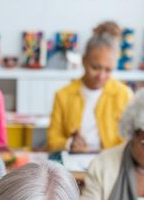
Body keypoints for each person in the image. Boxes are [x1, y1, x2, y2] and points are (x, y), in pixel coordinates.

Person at [46, 22, 133, 152]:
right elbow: (52, 141)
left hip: (112, 163)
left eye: (108, 70)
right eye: (95, 67)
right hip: (74, 162)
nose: (101, 76)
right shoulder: (63, 95)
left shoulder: (124, 95)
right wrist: (70, 144)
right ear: (84, 60)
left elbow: (131, 139)